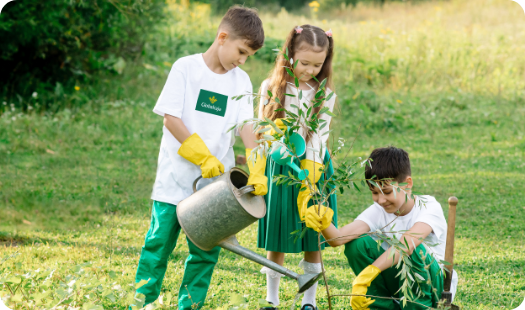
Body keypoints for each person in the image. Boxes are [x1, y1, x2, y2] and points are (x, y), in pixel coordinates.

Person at [132, 6, 267, 309]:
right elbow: (171, 119)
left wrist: (257, 166)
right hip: (175, 178)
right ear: (222, 37)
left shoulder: (240, 81)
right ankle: (141, 303)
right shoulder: (186, 68)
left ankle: (189, 306)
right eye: (241, 51)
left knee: (205, 253)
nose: (242, 61)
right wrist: (202, 157)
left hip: (216, 188)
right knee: (157, 246)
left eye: (248, 57)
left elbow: (246, 128)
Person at [305, 146, 459, 310]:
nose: (381, 200)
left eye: (386, 191)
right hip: (400, 284)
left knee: (414, 249)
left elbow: (406, 245)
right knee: (357, 245)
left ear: (407, 184)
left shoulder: (429, 206)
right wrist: (323, 222)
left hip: (433, 286)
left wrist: (370, 272)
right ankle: (380, 306)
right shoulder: (378, 211)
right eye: (374, 192)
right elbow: (338, 238)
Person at [257, 24, 337, 310]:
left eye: (318, 64)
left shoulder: (324, 94)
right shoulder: (271, 88)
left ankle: (310, 301)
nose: (311, 70)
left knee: (311, 233)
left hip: (313, 168)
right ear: (290, 55)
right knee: (277, 234)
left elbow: (319, 136)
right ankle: (272, 298)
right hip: (280, 168)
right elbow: (263, 130)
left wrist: (311, 173)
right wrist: (277, 148)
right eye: (305, 63)